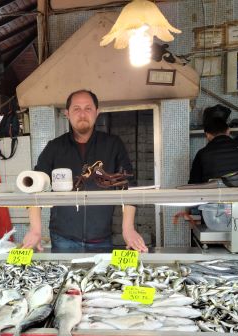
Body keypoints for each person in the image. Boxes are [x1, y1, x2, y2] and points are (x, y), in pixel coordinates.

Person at [22, 89, 147, 252]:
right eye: (76, 109)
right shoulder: (54, 147)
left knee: (97, 278)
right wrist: (35, 230)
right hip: (63, 238)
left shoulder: (112, 144)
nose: (82, 114)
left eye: (88, 108)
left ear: (97, 112)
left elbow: (129, 185)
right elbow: (34, 187)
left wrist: (128, 228)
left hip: (101, 237)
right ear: (67, 113)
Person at [189, 116, 238, 184]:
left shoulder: (202, 153)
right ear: (228, 131)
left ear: (207, 135)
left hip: (215, 196)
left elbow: (193, 184)